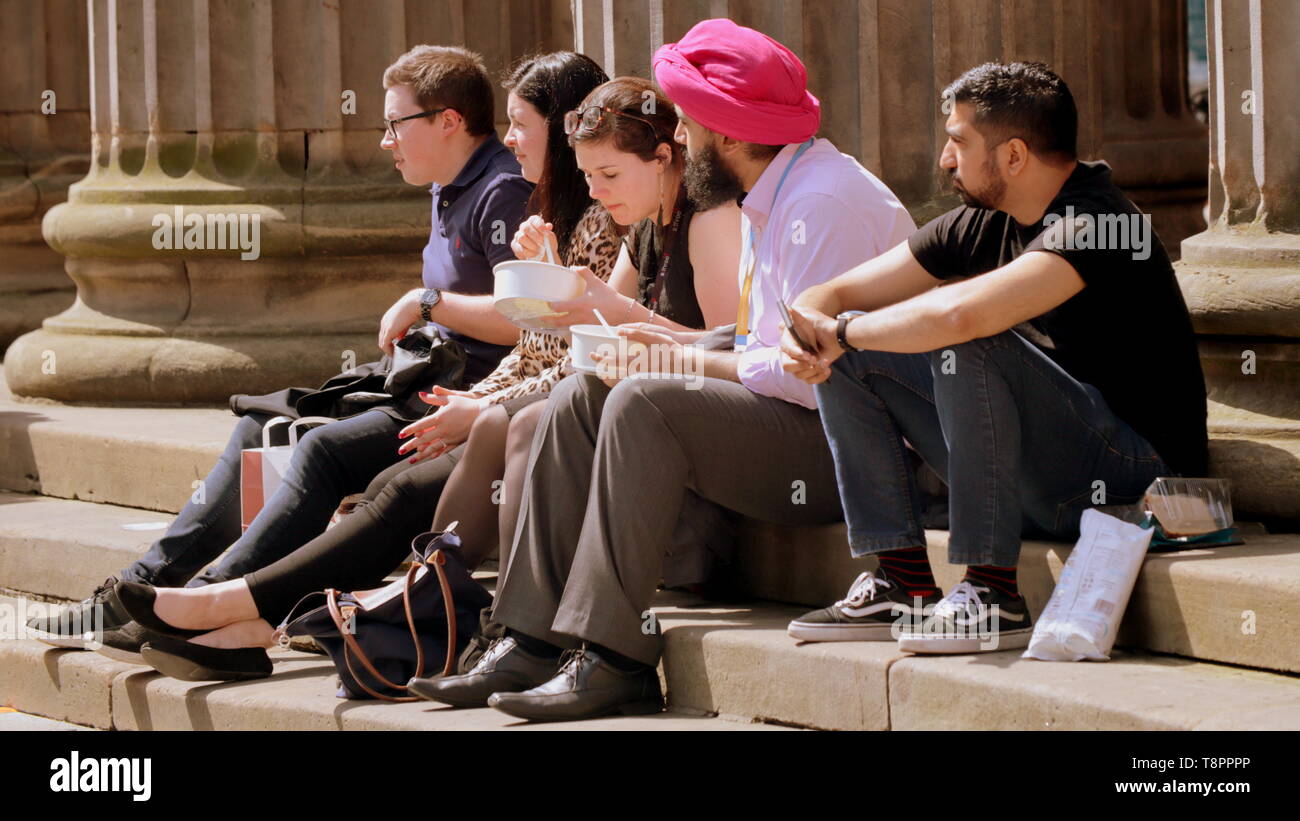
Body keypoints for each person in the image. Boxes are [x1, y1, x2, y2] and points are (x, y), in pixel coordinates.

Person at [108, 76, 745, 683]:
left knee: (434, 456)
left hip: (631, 437)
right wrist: (562, 290)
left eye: (607, 174)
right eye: (588, 176)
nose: (597, 189)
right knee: (392, 475)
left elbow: (726, 356)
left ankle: (242, 606)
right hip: (574, 413)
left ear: (666, 155)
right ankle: (247, 614)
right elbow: (580, 338)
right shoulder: (643, 227)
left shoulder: (706, 221)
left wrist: (507, 361)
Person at [415, 18, 915, 722]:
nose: (677, 136)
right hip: (804, 422)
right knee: (583, 389)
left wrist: (663, 354)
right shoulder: (777, 193)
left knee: (643, 399)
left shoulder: (817, 203)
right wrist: (644, 341)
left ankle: (613, 657)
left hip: (849, 449)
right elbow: (752, 341)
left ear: (730, 132)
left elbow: (808, 375)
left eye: (688, 122)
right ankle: (526, 636)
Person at [27, 45, 532, 654]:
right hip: (412, 380)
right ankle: (144, 587)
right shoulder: (448, 184)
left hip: (456, 398)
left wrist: (428, 302)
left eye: (396, 123)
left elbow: (524, 321)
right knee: (259, 428)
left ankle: (201, 604)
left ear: (449, 121)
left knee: (317, 447)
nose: (384, 140)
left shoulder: (500, 189)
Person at [779, 62, 1208, 653]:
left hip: (1131, 480)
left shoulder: (1101, 223)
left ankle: (993, 594)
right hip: (1043, 477)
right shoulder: (981, 221)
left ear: (1012, 155)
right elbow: (833, 293)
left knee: (963, 335)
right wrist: (809, 330)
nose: (943, 160)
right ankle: (904, 585)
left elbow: (964, 318)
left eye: (958, 141)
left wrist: (846, 330)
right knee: (856, 356)